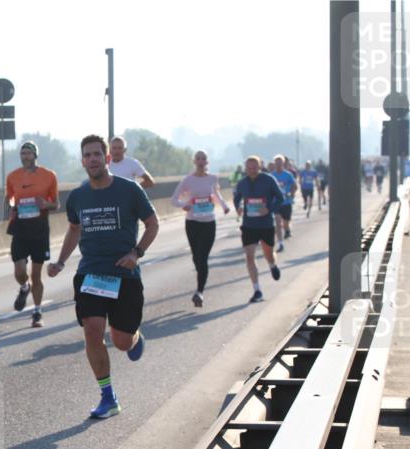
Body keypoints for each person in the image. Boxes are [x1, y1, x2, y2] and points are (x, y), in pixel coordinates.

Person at [47, 134, 159, 419]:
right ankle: (108, 397)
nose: (92, 159)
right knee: (92, 330)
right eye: (87, 155)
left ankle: (134, 337)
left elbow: (152, 223)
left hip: (124, 274)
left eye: (97, 154)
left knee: (121, 341)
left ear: (107, 158)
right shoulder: (78, 196)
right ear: (82, 161)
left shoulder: (130, 190)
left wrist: (136, 253)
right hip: (91, 273)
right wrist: (60, 261)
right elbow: (74, 229)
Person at [5, 140, 59, 327]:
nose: (25, 156)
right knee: (19, 271)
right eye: (23, 153)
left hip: (39, 229)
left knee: (36, 274)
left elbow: (56, 204)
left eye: (28, 153)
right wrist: (11, 206)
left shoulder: (49, 176)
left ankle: (37, 312)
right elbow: (9, 198)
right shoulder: (13, 177)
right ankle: (24, 287)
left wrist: (45, 204)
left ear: (35, 155)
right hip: (20, 227)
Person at [170, 150, 231, 307]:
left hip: (209, 222)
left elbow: (216, 194)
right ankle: (200, 282)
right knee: (196, 257)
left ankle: (199, 292)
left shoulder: (213, 178)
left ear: (207, 162)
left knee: (202, 258)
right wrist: (184, 205)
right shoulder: (188, 180)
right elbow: (174, 199)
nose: (201, 161)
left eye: (203, 158)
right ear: (194, 161)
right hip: (192, 223)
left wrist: (224, 206)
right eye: (198, 158)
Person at [233, 156, 283, 303]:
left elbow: (280, 197)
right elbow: (236, 198)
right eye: (249, 168)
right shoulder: (242, 183)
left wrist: (269, 208)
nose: (252, 171)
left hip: (265, 224)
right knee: (249, 256)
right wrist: (238, 207)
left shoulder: (269, 180)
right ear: (246, 169)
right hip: (249, 225)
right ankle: (257, 290)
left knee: (268, 254)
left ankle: (272, 265)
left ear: (259, 167)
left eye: (254, 168)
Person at [271, 155, 297, 251]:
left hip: (286, 202)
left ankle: (287, 230)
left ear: (283, 163)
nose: (278, 165)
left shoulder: (288, 175)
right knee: (277, 222)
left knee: (286, 222)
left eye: (280, 163)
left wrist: (291, 193)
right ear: (274, 164)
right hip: (276, 203)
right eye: (276, 163)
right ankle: (280, 243)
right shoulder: (271, 176)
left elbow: (294, 186)